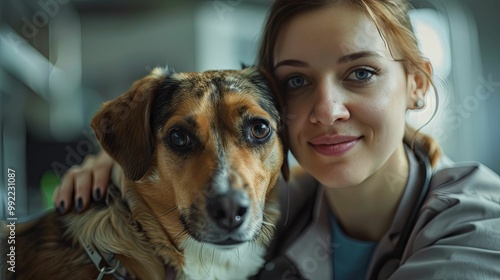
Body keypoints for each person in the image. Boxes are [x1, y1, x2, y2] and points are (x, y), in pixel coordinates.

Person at [53, 0, 500, 279]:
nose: (327, 110)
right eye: (298, 81)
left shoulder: (480, 228)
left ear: (418, 84)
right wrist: (123, 165)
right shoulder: (282, 202)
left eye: (361, 73)